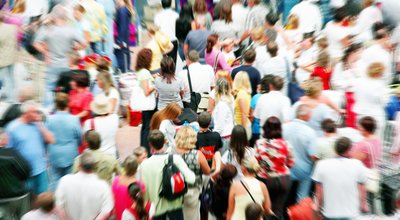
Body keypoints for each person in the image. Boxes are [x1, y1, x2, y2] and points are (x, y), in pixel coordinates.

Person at [33, 5, 86, 109]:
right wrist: (75, 49)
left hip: (52, 64)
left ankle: (48, 111)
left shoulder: (47, 29)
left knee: (49, 88)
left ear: (54, 16)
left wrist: (45, 52)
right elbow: (84, 43)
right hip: (67, 64)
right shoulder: (71, 30)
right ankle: (66, 109)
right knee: (67, 88)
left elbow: (36, 43)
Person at [138, 130, 195, 220]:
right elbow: (191, 178)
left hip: (157, 207)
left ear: (150, 145)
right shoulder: (175, 159)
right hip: (175, 204)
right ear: (164, 142)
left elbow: (143, 190)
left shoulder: (143, 165)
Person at [313, 137, 369, 219]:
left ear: (335, 149)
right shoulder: (357, 164)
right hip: (351, 214)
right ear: (349, 150)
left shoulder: (321, 164)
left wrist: (317, 209)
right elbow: (362, 189)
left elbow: (319, 193)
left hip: (330, 213)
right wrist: (363, 206)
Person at [6, 100, 54, 195]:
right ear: (25, 113)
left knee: (43, 198)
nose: (37, 114)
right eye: (34, 112)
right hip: (25, 172)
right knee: (28, 200)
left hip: (41, 170)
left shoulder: (38, 125)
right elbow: (9, 152)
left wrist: (40, 125)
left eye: (37, 111)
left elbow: (50, 140)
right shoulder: (12, 128)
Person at [255, 116, 294, 219]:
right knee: (279, 209)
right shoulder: (286, 144)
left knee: (265, 208)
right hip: (283, 179)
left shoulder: (259, 143)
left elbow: (256, 162)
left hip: (264, 180)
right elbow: (291, 163)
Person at [56, 151, 114, 220]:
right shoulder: (103, 186)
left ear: (79, 166)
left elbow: (59, 206)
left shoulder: (64, 181)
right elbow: (106, 211)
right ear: (94, 166)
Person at [172, 126, 211, 220]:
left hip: (174, 190)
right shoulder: (197, 155)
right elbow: (207, 172)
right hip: (192, 191)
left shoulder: (170, 152)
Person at [46, 93, 82, 190]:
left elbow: (46, 137)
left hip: (54, 154)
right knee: (71, 181)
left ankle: (56, 202)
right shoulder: (74, 119)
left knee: (55, 181)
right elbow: (79, 137)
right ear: (68, 104)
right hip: (70, 154)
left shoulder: (49, 119)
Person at [283, 104, 318, 202]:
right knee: (303, 194)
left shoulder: (284, 127)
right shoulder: (310, 132)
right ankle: (301, 209)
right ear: (305, 116)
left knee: (284, 196)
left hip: (285, 168)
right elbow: (312, 155)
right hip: (304, 170)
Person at [0, 129, 31, 220]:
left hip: (2, 199)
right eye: (6, 136)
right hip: (18, 195)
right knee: (24, 217)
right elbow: (25, 171)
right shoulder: (11, 153)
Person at [353, 62, 389, 139]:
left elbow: (355, 97)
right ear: (379, 73)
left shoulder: (359, 83)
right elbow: (384, 102)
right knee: (375, 141)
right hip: (376, 117)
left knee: (361, 140)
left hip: (361, 115)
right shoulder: (380, 85)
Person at [331, 43, 363, 128]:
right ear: (352, 53)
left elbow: (363, 79)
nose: (360, 55)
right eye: (359, 52)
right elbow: (334, 81)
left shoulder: (360, 64)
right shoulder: (340, 65)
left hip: (358, 93)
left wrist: (356, 71)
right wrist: (347, 84)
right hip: (344, 93)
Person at [135, 48, 156, 151]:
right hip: (149, 104)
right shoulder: (145, 72)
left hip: (144, 105)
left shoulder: (140, 71)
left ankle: (143, 147)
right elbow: (147, 91)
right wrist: (156, 85)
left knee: (145, 126)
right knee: (148, 127)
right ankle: (146, 148)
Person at [112, 155, 144, 220]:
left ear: (124, 167)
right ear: (136, 169)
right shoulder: (139, 185)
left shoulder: (116, 180)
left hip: (119, 214)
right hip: (132, 216)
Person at [249, 75, 274, 147]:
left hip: (256, 130)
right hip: (269, 131)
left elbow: (251, 116)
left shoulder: (256, 97)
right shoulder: (273, 98)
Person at [212, 78, 235, 152]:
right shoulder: (230, 99)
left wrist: (214, 136)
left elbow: (220, 124)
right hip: (230, 134)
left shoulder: (222, 104)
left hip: (224, 137)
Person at [0, 12, 18, 102]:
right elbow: (15, 42)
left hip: (2, 59)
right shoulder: (12, 28)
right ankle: (13, 97)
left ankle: (11, 100)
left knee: (5, 80)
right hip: (11, 57)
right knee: (11, 79)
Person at [154, 0, 179, 64]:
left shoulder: (158, 16)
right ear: (170, 4)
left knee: (162, 61)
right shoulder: (176, 15)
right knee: (172, 62)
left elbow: (156, 30)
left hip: (162, 41)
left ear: (162, 4)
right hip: (173, 40)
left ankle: (163, 73)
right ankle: (171, 73)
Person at [115, 0, 134, 73]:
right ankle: (126, 71)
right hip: (124, 37)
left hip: (122, 38)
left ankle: (124, 72)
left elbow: (123, 27)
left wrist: (120, 41)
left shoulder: (122, 11)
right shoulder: (124, 9)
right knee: (125, 56)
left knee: (122, 58)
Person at [232, 72, 252, 139]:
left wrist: (242, 130)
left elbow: (244, 113)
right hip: (243, 125)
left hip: (241, 126)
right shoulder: (246, 93)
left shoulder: (241, 94)